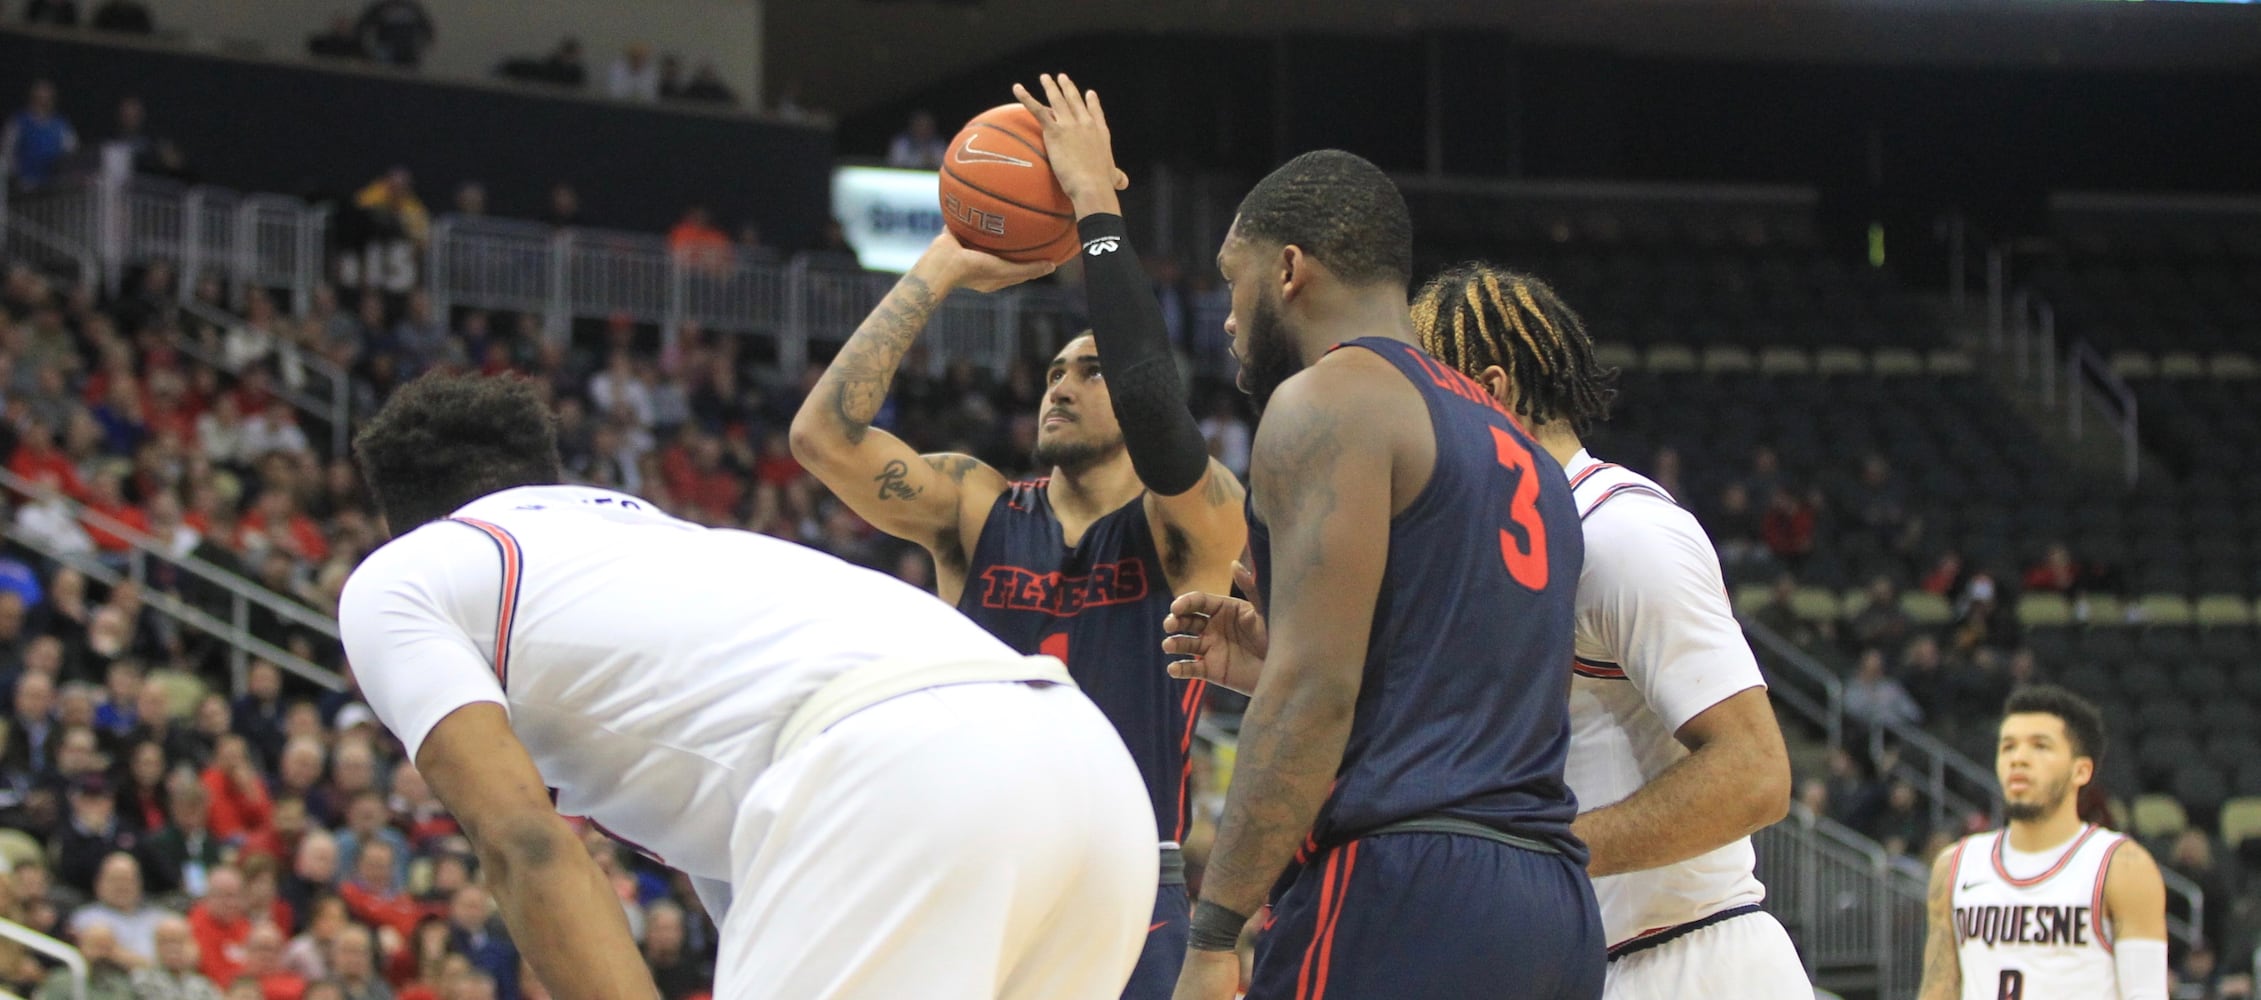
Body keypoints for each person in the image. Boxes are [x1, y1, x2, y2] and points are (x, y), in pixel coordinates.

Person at [339, 373, 1155, 1000]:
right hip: (1092, 778)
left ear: (398, 520)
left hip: (889, 768)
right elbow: (738, 834)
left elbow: (523, 840)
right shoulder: (664, 545)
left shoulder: (404, 575)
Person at [791, 74, 1245, 1000]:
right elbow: (821, 439)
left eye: (1089, 369)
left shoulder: (1188, 523)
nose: (1061, 385)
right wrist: (943, 266)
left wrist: (1093, 207)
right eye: (1051, 372)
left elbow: (1158, 409)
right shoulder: (977, 505)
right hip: (976, 860)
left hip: (1129, 872)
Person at [1161, 141, 1598, 999]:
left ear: (1288, 269)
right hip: (1552, 909)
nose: (1224, 314)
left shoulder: (1327, 401)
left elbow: (1316, 691)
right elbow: (1455, 677)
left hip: (1404, 888)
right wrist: (1277, 655)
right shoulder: (1525, 452)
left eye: (1231, 279)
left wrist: (1213, 932)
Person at [1395, 263, 1805, 997]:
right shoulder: (1501, 552)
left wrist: (1541, 852)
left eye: (1423, 403)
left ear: (1490, 392)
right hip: (1578, 968)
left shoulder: (1621, 532)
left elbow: (1755, 774)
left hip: (1688, 962)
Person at [1919, 685, 2167, 1000]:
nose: (2019, 759)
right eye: (2008, 747)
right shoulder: (1954, 865)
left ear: (2081, 771)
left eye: (2040, 746)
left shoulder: (2121, 866)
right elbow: (1938, 991)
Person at [131, 915, 227, 1000]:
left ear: (192, 945)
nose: (172, 948)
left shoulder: (203, 986)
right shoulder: (140, 980)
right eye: (165, 942)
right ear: (155, 946)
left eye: (178, 941)